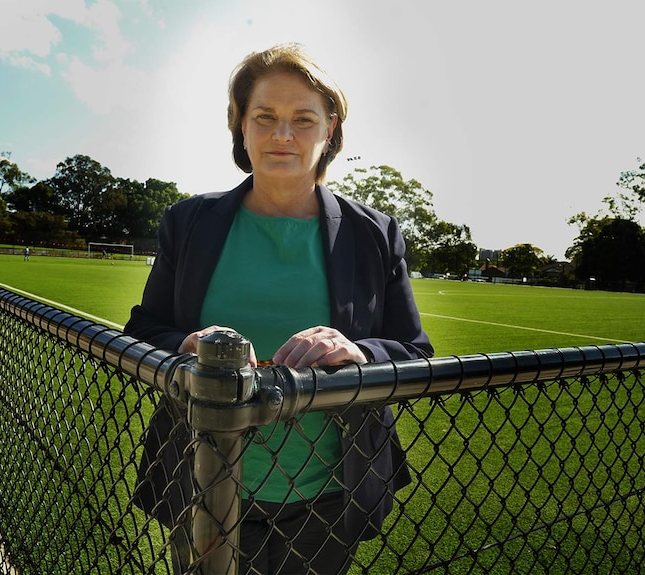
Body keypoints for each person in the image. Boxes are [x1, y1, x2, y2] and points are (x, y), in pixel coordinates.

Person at [124, 43, 434, 575]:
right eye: (264, 117)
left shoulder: (374, 233)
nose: (282, 135)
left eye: (303, 119)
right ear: (239, 126)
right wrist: (187, 344)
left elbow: (415, 352)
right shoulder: (189, 222)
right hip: (203, 480)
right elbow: (144, 328)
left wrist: (355, 349)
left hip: (330, 492)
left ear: (330, 130)